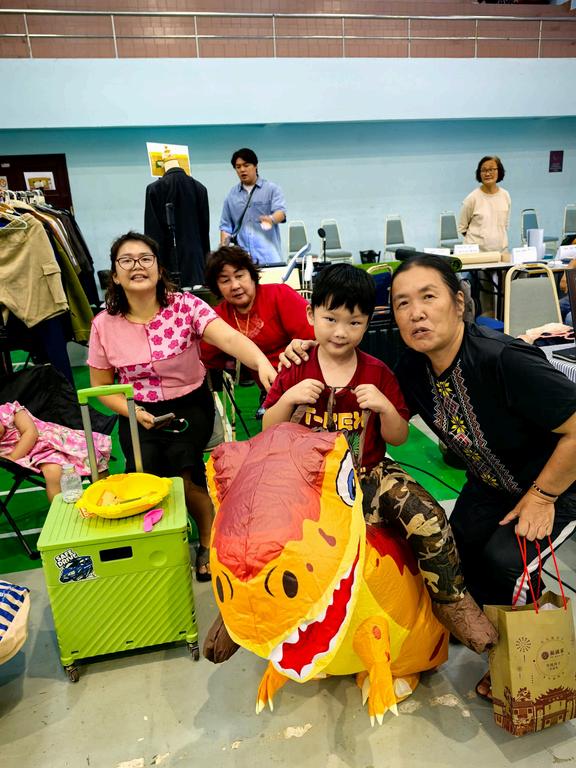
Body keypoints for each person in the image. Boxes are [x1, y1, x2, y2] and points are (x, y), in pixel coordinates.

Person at [261, 264, 496, 650]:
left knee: (428, 515)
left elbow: (398, 438)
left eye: (354, 322)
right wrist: (288, 399)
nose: (341, 332)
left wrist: (385, 406)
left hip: (369, 472)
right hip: (306, 480)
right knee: (260, 523)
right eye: (330, 319)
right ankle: (247, 604)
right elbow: (269, 429)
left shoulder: (378, 372)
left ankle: (451, 600)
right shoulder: (295, 367)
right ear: (310, 314)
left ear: (368, 323)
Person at [389, 253, 576, 701]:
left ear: (458, 303)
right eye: (402, 303)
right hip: (490, 483)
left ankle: (525, 667)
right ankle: (485, 631)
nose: (416, 312)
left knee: (504, 561)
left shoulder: (503, 359)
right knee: (451, 550)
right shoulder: (413, 367)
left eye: (428, 297)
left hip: (557, 482)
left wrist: (543, 496)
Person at [87, 231, 276, 581]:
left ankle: (206, 540)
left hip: (189, 404)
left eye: (145, 258)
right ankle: (160, 545)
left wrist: (260, 361)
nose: (137, 266)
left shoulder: (186, 306)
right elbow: (100, 388)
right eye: (126, 260)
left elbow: (230, 338)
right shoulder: (104, 325)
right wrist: (133, 412)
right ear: (115, 275)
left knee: (183, 470)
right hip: (136, 409)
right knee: (144, 473)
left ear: (159, 269)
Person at [200, 245, 314, 393]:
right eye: (225, 280)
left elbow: (314, 339)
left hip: (305, 380)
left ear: (252, 275)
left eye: (240, 276)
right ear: (217, 286)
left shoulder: (279, 295)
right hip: (269, 390)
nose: (235, 286)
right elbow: (206, 358)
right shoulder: (218, 317)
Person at [0, 401, 111, 502]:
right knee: (54, 472)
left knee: (92, 454)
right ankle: (60, 513)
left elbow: (31, 432)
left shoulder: (10, 410)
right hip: (35, 455)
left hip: (50, 439)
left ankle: (106, 497)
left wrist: (13, 457)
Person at [144, 149, 210, 289]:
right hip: (196, 262)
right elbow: (205, 231)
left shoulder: (154, 189)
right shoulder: (200, 188)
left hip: (167, 263)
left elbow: (152, 233)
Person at [219, 148, 286, 266]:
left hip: (269, 258)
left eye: (246, 165)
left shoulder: (271, 189)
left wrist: (271, 219)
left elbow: (281, 213)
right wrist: (224, 251)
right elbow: (226, 227)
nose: (242, 170)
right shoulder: (232, 195)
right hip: (243, 261)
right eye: (238, 167)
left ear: (255, 166)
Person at [458, 155, 511, 255]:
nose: (487, 173)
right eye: (483, 170)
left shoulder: (505, 195)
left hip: (500, 253)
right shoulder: (472, 198)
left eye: (491, 169)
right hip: (477, 255)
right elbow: (463, 228)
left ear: (499, 171)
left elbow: (505, 225)